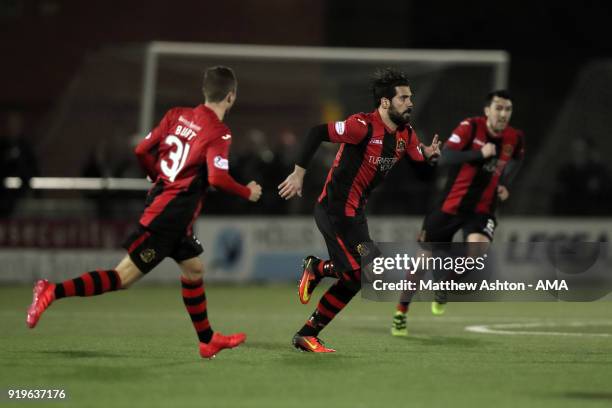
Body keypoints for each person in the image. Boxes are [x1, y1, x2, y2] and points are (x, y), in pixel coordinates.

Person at [26, 66, 263, 359]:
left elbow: (141, 150)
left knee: (194, 269)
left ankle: (206, 340)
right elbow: (216, 178)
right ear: (231, 97)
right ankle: (51, 290)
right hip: (169, 217)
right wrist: (246, 191)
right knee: (121, 278)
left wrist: (157, 176)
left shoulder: (175, 115)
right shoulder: (219, 133)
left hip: (171, 211)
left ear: (205, 92)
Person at [278, 68, 441, 352]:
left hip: (355, 213)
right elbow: (316, 132)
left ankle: (316, 279)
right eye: (403, 98)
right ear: (385, 103)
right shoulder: (361, 126)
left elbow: (422, 175)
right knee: (360, 275)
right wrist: (298, 173)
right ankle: (310, 312)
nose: (410, 103)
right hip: (334, 210)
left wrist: (430, 159)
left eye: (410, 97)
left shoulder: (407, 135)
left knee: (366, 275)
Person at [391, 90, 525, 336]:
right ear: (487, 111)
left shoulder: (514, 137)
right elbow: (446, 157)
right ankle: (401, 311)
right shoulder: (470, 128)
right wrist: (478, 154)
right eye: (499, 108)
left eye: (508, 109)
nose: (503, 113)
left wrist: (506, 183)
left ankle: (444, 286)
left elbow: (517, 159)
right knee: (423, 261)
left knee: (476, 252)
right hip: (449, 207)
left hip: (482, 210)